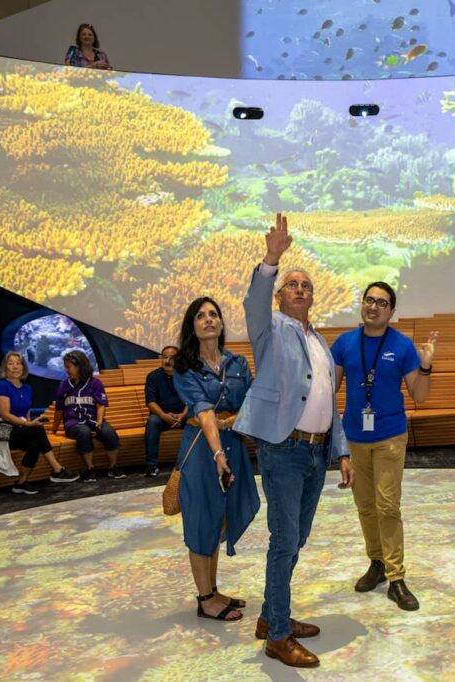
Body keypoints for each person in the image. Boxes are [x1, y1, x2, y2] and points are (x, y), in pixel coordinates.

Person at [233, 212, 353, 668]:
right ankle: (278, 636)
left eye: (306, 286)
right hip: (283, 449)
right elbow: (253, 303)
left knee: (295, 537)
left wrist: (340, 451)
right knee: (285, 540)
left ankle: (270, 615)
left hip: (315, 452)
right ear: (282, 295)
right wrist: (272, 259)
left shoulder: (321, 342)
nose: (300, 290)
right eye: (293, 285)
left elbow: (330, 402)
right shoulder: (270, 330)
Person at [332, 282, 438, 611]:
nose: (374, 307)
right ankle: (376, 563)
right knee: (365, 507)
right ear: (362, 305)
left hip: (390, 436)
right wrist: (339, 448)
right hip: (355, 438)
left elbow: (419, 396)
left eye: (382, 302)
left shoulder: (402, 345)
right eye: (369, 300)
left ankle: (396, 577)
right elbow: (329, 390)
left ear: (392, 311)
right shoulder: (344, 344)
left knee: (388, 506)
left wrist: (425, 364)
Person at [172, 297, 258, 622]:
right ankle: (205, 599)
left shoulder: (239, 363)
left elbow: (250, 404)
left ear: (221, 323)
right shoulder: (184, 367)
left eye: (213, 314)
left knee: (220, 518)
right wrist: (218, 451)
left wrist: (234, 422)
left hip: (233, 445)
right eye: (201, 316)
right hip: (201, 450)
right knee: (201, 521)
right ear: (192, 326)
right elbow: (204, 411)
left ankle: (214, 588)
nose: (208, 319)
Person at [0, 351, 79, 494]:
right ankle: (57, 470)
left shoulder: (27, 388)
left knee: (35, 443)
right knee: (37, 431)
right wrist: (28, 425)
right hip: (0, 430)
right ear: (5, 367)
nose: (15, 367)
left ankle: (20, 483)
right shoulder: (1, 386)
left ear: (23, 367)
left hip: (18, 429)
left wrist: (31, 422)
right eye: (10, 363)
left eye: (18, 363)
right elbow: (5, 415)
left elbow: (26, 413)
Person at [50, 351, 124, 482]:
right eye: (65, 367)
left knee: (108, 432)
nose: (66, 370)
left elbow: (101, 404)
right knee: (83, 432)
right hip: (73, 423)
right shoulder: (63, 385)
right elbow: (59, 409)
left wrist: (100, 422)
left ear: (79, 366)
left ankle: (113, 467)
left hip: (93, 419)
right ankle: (90, 469)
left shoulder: (95, 383)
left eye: (69, 367)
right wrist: (54, 429)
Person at [144, 346, 188, 477]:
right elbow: (151, 402)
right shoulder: (153, 376)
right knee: (152, 421)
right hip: (161, 415)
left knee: (199, 419)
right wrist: (164, 416)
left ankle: (197, 461)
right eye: (164, 357)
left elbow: (192, 400)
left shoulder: (186, 376)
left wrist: (182, 415)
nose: (167, 361)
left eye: (172, 357)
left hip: (183, 414)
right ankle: (151, 465)